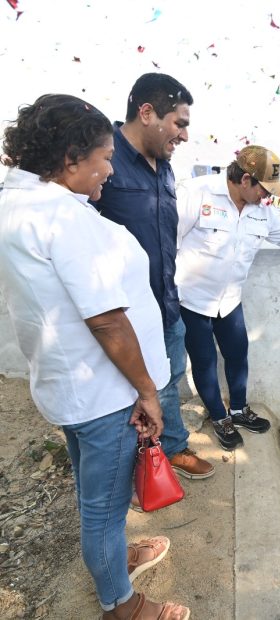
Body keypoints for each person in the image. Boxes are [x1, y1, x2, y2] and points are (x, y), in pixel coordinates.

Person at [0, 94, 190, 619]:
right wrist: (149, 392)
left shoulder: (22, 203)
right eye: (104, 158)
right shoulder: (64, 217)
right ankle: (121, 606)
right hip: (104, 394)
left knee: (95, 495)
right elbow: (106, 318)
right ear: (70, 159)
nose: (111, 168)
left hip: (71, 386)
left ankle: (114, 563)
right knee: (103, 510)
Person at [176, 146, 280, 450]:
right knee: (204, 362)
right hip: (192, 301)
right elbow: (168, 242)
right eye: (264, 189)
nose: (268, 196)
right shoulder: (196, 194)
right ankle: (220, 418)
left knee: (238, 353)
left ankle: (239, 410)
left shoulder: (262, 211)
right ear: (245, 179)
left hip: (229, 300)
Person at [96, 72, 214, 481]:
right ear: (147, 113)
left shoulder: (164, 165)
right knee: (125, 394)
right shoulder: (103, 159)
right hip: (121, 313)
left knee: (169, 379)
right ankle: (130, 469)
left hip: (165, 299)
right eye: (179, 123)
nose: (183, 135)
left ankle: (173, 450)